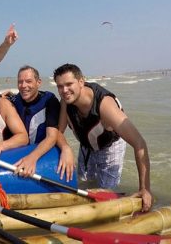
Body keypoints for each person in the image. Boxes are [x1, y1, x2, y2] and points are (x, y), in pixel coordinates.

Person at [53, 63, 153, 212]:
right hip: (87, 146)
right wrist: (66, 148)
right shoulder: (66, 102)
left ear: (81, 82)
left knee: (105, 198)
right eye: (60, 86)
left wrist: (144, 188)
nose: (64, 90)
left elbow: (139, 143)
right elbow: (58, 132)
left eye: (69, 84)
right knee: (84, 188)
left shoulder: (105, 106)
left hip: (110, 146)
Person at [6, 65, 72, 178]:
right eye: (20, 82)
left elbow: (52, 136)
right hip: (19, 152)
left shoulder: (49, 101)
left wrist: (32, 158)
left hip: (42, 152)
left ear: (38, 82)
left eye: (28, 81)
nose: (23, 85)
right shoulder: (13, 101)